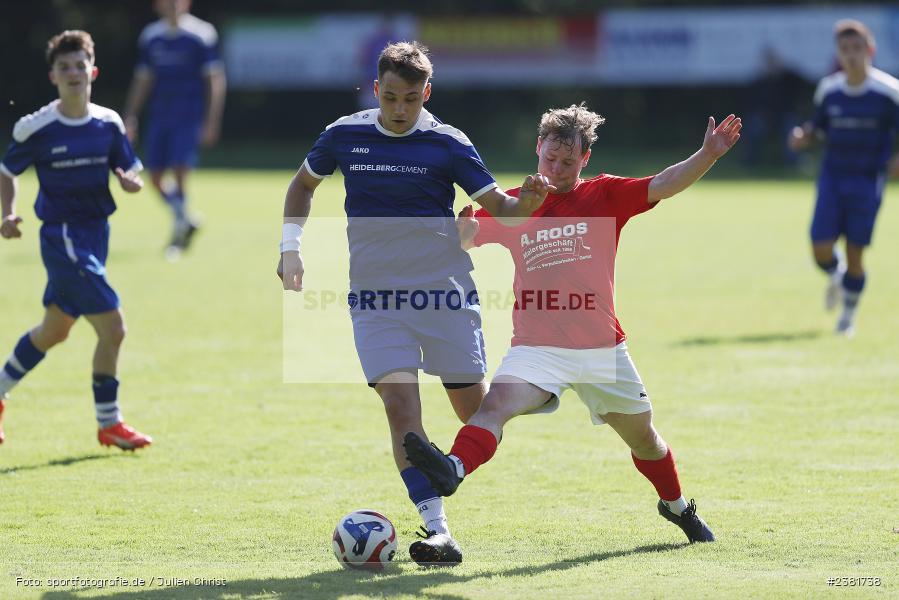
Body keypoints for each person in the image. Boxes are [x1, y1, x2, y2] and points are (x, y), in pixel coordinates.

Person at [404, 102, 741, 548]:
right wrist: (461, 229)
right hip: (537, 349)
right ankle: (453, 469)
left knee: (646, 441)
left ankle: (676, 506)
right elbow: (462, 242)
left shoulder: (604, 195)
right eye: (550, 159)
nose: (558, 169)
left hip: (603, 351)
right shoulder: (515, 205)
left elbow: (663, 184)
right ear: (537, 149)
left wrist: (708, 155)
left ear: (584, 159)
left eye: (568, 162)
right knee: (495, 405)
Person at [277, 41, 553, 565]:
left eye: (409, 98)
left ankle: (535, 394)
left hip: (444, 293)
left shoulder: (448, 143)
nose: (398, 109)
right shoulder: (344, 134)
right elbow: (302, 187)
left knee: (476, 411)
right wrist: (291, 250)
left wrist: (528, 205)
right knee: (400, 406)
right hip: (376, 299)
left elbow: (502, 209)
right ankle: (437, 530)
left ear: (426, 93)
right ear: (374, 89)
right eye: (388, 97)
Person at [0, 30, 152, 450]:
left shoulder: (108, 123)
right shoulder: (36, 126)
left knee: (54, 331)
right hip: (62, 238)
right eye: (63, 67)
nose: (72, 73)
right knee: (115, 328)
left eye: (79, 66)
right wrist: (8, 213)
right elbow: (7, 170)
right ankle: (109, 422)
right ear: (52, 76)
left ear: (93, 71)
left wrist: (130, 182)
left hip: (96, 234)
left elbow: (129, 168)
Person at [788, 19, 899, 336]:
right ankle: (836, 277)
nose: (851, 55)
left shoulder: (889, 93)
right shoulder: (830, 89)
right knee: (820, 248)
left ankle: (847, 317)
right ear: (838, 53)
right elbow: (818, 128)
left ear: (870, 50)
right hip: (832, 178)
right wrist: (802, 136)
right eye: (845, 49)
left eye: (857, 48)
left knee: (855, 253)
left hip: (866, 181)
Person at [123, 0, 226, 256]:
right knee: (154, 177)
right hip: (160, 115)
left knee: (180, 170)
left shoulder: (202, 34)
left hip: (188, 115)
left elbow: (215, 80)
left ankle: (178, 235)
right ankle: (185, 218)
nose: (172, 5)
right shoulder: (151, 36)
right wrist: (130, 115)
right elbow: (143, 78)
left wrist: (211, 121)